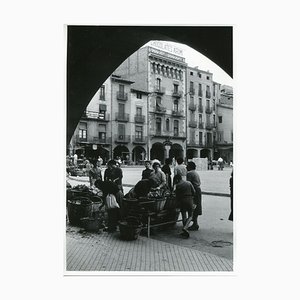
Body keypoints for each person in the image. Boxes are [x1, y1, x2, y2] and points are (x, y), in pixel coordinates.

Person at [173, 174, 195, 238]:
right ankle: (185, 228)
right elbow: (194, 191)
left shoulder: (178, 185)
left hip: (182, 201)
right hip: (189, 199)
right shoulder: (188, 183)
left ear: (177, 179)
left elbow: (177, 196)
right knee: (191, 215)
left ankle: (185, 230)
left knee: (183, 215)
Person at [186, 161, 202, 230]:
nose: (186, 167)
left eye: (187, 166)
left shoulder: (189, 173)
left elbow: (189, 184)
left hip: (194, 190)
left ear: (190, 167)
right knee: (197, 206)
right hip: (198, 190)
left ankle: (194, 224)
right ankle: (195, 223)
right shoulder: (195, 172)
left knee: (193, 207)